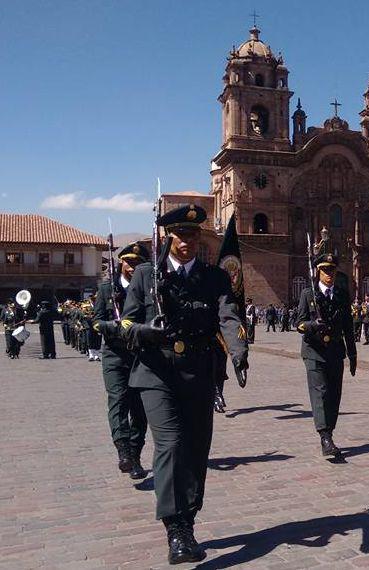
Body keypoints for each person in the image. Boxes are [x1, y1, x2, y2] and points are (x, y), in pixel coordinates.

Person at [119, 204, 248, 564]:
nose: (187, 242)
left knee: (195, 450)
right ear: (168, 236)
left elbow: (228, 316)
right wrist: (146, 331)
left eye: (193, 235)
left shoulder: (214, 278)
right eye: (180, 235)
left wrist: (238, 351)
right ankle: (175, 529)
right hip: (156, 374)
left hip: (198, 372)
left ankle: (187, 519)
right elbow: (126, 326)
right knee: (171, 445)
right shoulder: (148, 276)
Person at [93, 242, 150, 479]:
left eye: (138, 264)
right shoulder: (108, 289)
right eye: (129, 263)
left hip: (141, 356)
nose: (132, 268)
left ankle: (135, 455)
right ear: (121, 263)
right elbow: (96, 322)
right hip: (115, 355)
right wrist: (114, 327)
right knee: (118, 402)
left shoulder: (149, 289)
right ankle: (123, 450)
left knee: (140, 409)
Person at [295, 252, 357, 457]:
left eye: (332, 270)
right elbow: (299, 323)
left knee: (334, 395)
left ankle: (329, 431)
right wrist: (313, 325)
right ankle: (324, 436)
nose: (329, 274)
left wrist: (353, 354)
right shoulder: (307, 294)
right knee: (320, 392)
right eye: (324, 270)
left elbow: (348, 326)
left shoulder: (341, 294)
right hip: (314, 351)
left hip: (335, 352)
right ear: (317, 272)